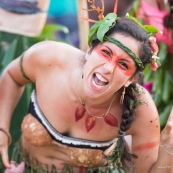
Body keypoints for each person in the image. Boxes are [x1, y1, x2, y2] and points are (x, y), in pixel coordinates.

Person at [0, 0, 173, 173]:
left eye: (123, 64)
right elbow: (12, 77)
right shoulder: (50, 59)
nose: (108, 68)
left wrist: (168, 146)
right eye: (106, 53)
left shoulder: (141, 109)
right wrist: (2, 128)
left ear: (132, 79)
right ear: (90, 50)